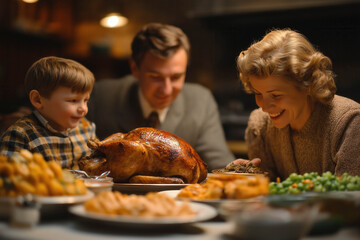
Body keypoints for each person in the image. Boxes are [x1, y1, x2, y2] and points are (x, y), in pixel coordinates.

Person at [87, 22, 234, 170]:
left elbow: (220, 162)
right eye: (155, 77)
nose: (166, 90)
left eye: (176, 77)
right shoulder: (100, 96)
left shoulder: (201, 100)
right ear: (134, 68)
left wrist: (237, 169)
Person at [233, 29, 360, 181]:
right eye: (258, 93)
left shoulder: (349, 123)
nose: (264, 107)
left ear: (307, 84)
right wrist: (249, 178)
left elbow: (349, 199)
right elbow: (266, 195)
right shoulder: (259, 126)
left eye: (276, 95)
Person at [0, 56, 96, 169]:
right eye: (73, 101)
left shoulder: (87, 128)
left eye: (85, 100)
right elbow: (9, 178)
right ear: (38, 100)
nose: (83, 108)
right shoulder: (20, 136)